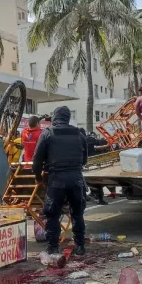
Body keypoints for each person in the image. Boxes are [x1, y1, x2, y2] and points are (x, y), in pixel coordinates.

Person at [33, 106, 87, 256]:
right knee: (77, 213)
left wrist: (38, 177)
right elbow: (84, 160)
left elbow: (37, 160)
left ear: (55, 117)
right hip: (76, 178)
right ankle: (80, 246)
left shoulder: (48, 133)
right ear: (68, 117)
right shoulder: (79, 133)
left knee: (52, 214)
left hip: (56, 179)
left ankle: (53, 247)